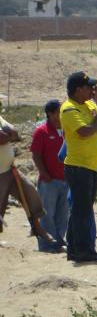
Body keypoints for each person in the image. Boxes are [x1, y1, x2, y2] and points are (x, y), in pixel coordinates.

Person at [60, 71, 97, 262]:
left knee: (82, 209)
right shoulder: (68, 108)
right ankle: (83, 250)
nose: (92, 89)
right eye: (88, 87)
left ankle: (73, 248)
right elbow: (84, 131)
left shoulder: (90, 104)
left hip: (91, 166)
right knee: (82, 211)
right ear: (78, 89)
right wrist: (96, 124)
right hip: (78, 166)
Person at [0, 101, 52, 248]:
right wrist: (8, 136)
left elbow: (16, 133)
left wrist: (8, 135)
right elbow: (3, 138)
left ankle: (37, 228)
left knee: (30, 193)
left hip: (10, 169)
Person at [30, 99, 68, 252]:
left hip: (66, 180)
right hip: (49, 182)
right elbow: (36, 155)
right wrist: (46, 175)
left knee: (63, 214)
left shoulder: (66, 130)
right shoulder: (41, 132)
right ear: (51, 114)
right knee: (47, 215)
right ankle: (47, 245)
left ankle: (59, 243)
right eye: (59, 112)